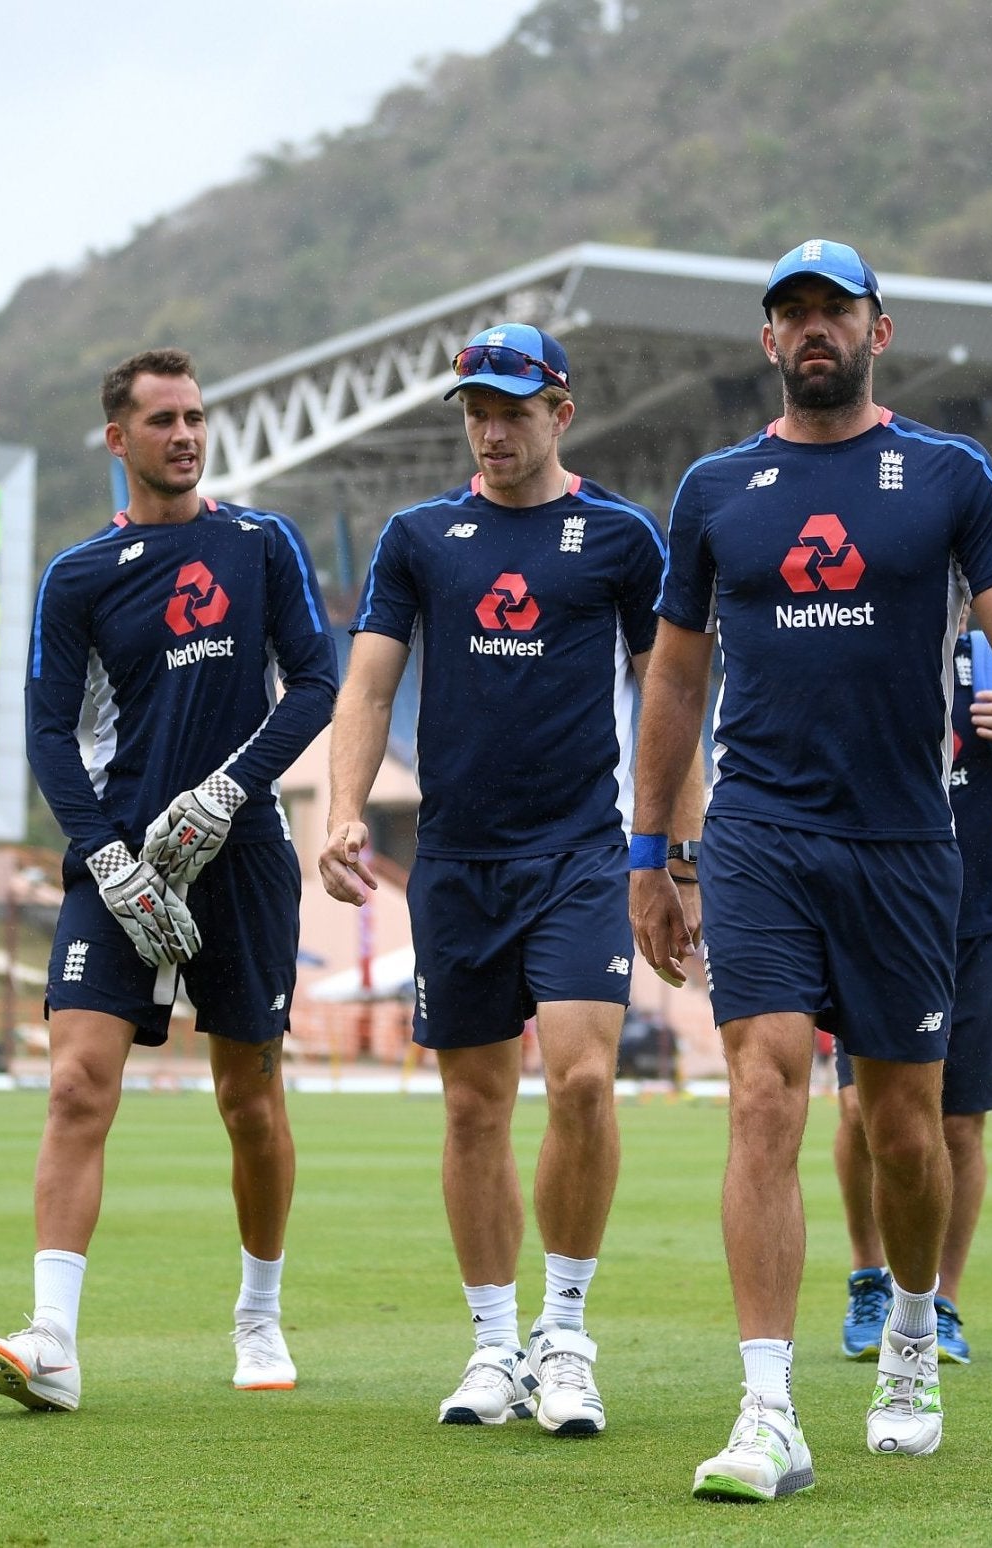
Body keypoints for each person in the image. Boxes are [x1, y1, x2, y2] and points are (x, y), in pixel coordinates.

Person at [629, 239, 992, 1500]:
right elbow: (673, 673)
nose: (813, 329)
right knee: (765, 1094)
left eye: (835, 310)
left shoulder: (946, 474)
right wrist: (653, 850)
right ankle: (767, 1410)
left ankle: (914, 1331)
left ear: (880, 328)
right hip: (760, 834)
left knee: (903, 1129)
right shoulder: (716, 488)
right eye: (791, 314)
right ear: (768, 341)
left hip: (906, 842)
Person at [320, 323, 694, 1437]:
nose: (491, 428)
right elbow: (370, 688)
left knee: (582, 1083)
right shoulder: (419, 537)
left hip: (581, 854)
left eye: (513, 408)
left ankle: (566, 1335)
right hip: (456, 861)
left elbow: (673, 699)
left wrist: (671, 856)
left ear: (559, 412)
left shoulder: (622, 537)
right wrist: (344, 807)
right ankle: (494, 1346)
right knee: (474, 1104)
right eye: (476, 409)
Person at [0, 348, 337, 1411]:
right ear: (118, 439)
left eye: (196, 417)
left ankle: (259, 1314)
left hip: (244, 852)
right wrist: (109, 854)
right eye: (163, 419)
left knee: (249, 1101)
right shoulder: (78, 575)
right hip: (117, 864)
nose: (185, 434)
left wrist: (225, 795)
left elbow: (313, 683)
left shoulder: (263, 543)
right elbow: (46, 734)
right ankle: (55, 1344)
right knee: (77, 1082)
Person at [830, 630, 992, 1366]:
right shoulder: (865, 620)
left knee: (960, 1125)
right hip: (873, 900)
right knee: (858, 1111)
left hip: (980, 911)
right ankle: (870, 1280)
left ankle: (941, 1301)